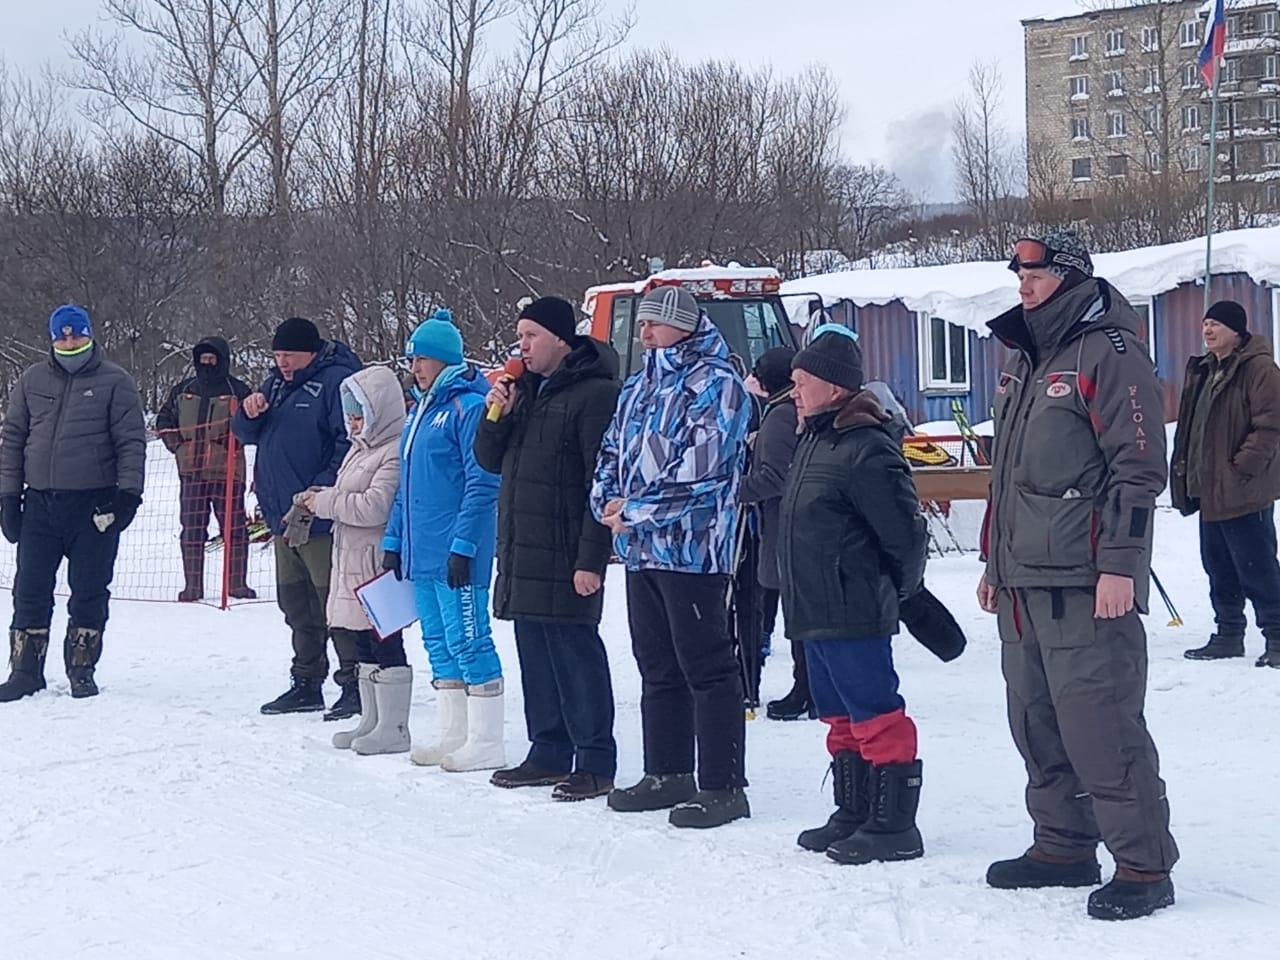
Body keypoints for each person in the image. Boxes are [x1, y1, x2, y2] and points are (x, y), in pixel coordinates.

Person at [979, 230, 1178, 921]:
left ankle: (1144, 862)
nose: (1022, 284)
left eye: (1032, 272)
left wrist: (1122, 566)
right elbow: (1006, 473)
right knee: (1035, 721)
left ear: (1066, 275)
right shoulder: (1026, 356)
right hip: (1023, 579)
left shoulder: (1109, 351)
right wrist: (992, 563)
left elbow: (1138, 468)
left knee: (1101, 725)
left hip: (1088, 579)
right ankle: (1062, 845)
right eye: (1018, 273)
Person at [590, 285, 752, 829]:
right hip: (640, 550)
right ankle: (667, 771)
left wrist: (634, 509)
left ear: (682, 325)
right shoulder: (638, 386)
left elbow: (703, 471)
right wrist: (606, 500)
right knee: (655, 665)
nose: (644, 334)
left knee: (706, 666)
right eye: (642, 325)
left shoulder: (718, 385)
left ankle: (724, 783)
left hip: (695, 550)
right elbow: (613, 449)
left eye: (654, 323)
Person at [778, 327, 928, 866]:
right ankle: (854, 810)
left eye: (802, 381)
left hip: (853, 606)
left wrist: (900, 593)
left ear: (835, 386)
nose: (793, 390)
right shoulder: (815, 437)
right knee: (838, 715)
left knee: (875, 712)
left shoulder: (866, 446)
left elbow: (906, 536)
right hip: (813, 609)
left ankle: (893, 824)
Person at [477, 297, 621, 801]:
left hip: (566, 551)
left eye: (532, 336)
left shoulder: (595, 394)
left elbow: (600, 482)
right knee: (535, 653)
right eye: (520, 336)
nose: (523, 346)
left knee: (575, 655)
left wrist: (591, 558)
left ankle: (595, 759)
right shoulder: (527, 392)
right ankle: (548, 749)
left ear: (561, 339)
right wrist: (499, 411)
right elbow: (488, 459)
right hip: (524, 549)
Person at [0, 305, 146, 701]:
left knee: (89, 589)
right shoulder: (31, 380)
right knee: (29, 589)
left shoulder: (116, 381)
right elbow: (13, 439)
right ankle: (25, 670)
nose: (69, 342)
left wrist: (127, 495)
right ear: (51, 338)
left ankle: (82, 667)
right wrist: (9, 495)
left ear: (90, 335)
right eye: (62, 336)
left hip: (93, 506)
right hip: (40, 505)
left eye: (76, 335)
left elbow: (131, 443)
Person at [382, 309, 504, 772]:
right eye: (412, 359)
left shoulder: (467, 408)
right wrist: (395, 538)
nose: (415, 367)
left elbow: (482, 483)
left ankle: (487, 738)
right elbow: (406, 485)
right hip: (422, 553)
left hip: (456, 552)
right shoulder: (419, 413)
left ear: (445, 360)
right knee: (438, 642)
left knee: (469, 639)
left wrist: (465, 545)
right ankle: (454, 733)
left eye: (423, 359)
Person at [232, 317, 362, 716]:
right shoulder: (274, 384)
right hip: (281, 517)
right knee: (296, 603)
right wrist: (249, 413)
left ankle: (354, 681)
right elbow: (246, 435)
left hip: (318, 517)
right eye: (277, 354)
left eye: (289, 354)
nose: (282, 362)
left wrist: (319, 492)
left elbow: (348, 444)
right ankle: (306, 680)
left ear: (311, 351)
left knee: (333, 602)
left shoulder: (337, 383)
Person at [299, 365, 412, 749]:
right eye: (349, 415)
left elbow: (375, 506)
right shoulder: (358, 451)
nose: (353, 423)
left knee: (386, 642)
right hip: (351, 560)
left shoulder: (393, 452)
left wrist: (325, 502)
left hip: (376, 564)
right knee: (360, 643)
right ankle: (371, 719)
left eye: (360, 414)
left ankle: (394, 728)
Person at [1171, 299, 1280, 668]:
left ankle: (1278, 637)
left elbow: (1271, 425)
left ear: (1237, 330)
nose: (1207, 331)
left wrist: (1242, 467)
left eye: (1216, 324)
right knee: (1218, 567)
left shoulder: (1259, 369)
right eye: (1205, 324)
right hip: (1209, 489)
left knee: (1259, 567)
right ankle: (1229, 634)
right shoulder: (1204, 370)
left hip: (1244, 489)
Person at [154, 336, 256, 602]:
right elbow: (164, 419)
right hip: (191, 473)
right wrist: (176, 445)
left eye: (212, 358)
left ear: (222, 360)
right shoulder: (182, 389)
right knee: (191, 529)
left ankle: (236, 584)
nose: (207, 363)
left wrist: (235, 441)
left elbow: (254, 424)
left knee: (234, 529)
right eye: (203, 358)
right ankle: (193, 587)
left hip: (228, 473)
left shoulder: (239, 390)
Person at [741, 347, 806, 721]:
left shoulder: (780, 416)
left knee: (788, 611)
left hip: (782, 526)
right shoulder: (782, 413)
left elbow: (775, 476)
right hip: (783, 526)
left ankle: (804, 688)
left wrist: (734, 488)